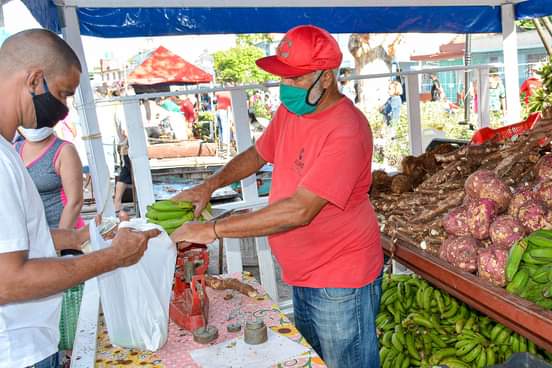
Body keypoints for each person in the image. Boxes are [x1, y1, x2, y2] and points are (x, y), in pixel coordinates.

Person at [171, 25, 383, 368]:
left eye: (296, 79)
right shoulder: (292, 112)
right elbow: (257, 154)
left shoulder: (347, 129)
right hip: (302, 273)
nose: (286, 87)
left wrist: (213, 230)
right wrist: (210, 185)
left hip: (340, 279)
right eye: (283, 77)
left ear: (326, 78)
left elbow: (300, 210)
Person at [0, 29, 159, 368]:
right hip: (17, 350)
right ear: (34, 80)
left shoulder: (8, 150)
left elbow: (14, 242)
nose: (64, 109)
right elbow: (8, 281)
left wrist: (76, 237)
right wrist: (114, 258)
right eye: (62, 94)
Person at [15, 128, 85, 230]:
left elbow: (75, 202)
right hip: (27, 235)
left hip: (60, 229)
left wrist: (61, 240)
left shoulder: (65, 150)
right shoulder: (14, 149)